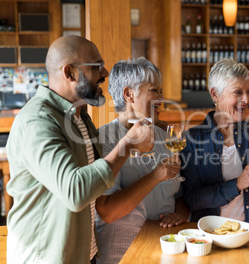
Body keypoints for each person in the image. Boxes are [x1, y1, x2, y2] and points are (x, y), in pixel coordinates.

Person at [5, 36, 152, 263]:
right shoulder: (37, 122)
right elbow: (75, 191)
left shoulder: (79, 116)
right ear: (69, 73)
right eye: (96, 67)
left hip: (84, 253)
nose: (105, 74)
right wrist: (128, 143)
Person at [95, 58, 190, 264]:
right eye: (154, 90)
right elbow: (108, 212)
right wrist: (156, 176)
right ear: (128, 94)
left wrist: (180, 214)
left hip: (167, 251)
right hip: (123, 255)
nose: (162, 98)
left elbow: (180, 194)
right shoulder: (103, 141)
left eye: (161, 91)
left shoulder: (165, 137)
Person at [180, 58, 249, 224]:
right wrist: (238, 184)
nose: (247, 99)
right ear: (215, 95)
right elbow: (192, 199)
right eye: (238, 92)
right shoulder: (192, 139)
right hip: (210, 235)